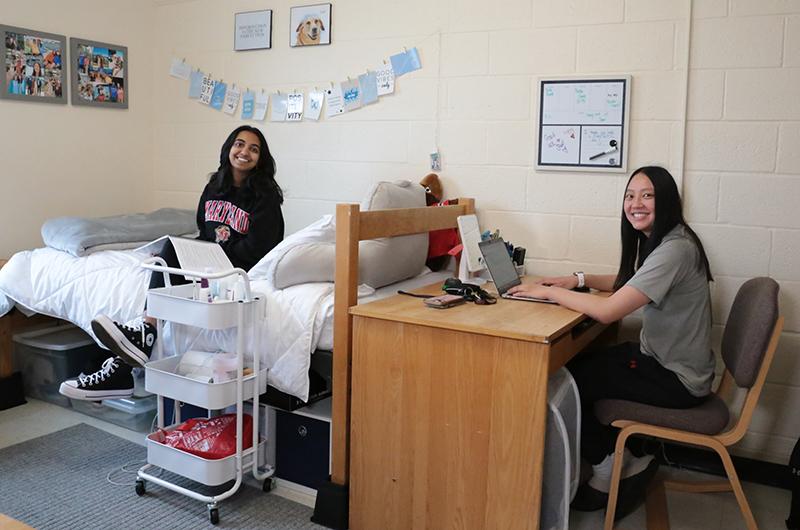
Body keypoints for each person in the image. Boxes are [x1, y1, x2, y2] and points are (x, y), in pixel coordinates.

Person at [507, 165, 714, 519]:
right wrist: (577, 280)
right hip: (666, 363)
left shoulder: (674, 249)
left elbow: (610, 311)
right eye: (630, 195)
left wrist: (547, 293)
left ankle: (607, 467)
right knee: (578, 367)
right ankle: (616, 457)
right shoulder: (667, 240)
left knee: (566, 381)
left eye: (647, 195)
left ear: (667, 201)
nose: (636, 203)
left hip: (676, 378)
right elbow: (629, 282)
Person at [59, 126, 285, 400]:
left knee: (174, 258)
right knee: (166, 255)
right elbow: (205, 232)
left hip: (238, 268)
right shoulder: (214, 187)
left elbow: (260, 247)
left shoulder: (266, 196)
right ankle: (145, 331)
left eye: (254, 148)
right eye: (239, 144)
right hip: (211, 262)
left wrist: (215, 257)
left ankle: (131, 353)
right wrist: (194, 255)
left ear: (261, 159)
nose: (245, 152)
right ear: (228, 149)